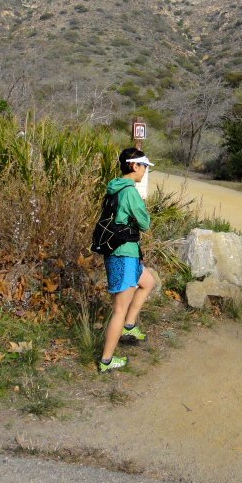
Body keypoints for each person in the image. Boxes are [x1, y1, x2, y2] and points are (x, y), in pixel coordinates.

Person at [98, 148, 155, 374]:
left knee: (148, 282)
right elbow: (144, 223)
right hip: (124, 254)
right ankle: (106, 360)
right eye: (144, 166)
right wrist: (142, 211)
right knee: (119, 309)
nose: (145, 171)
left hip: (122, 251)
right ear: (134, 166)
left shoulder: (115, 187)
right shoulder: (130, 191)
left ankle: (129, 327)